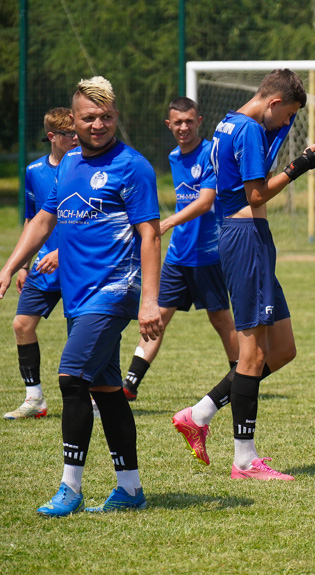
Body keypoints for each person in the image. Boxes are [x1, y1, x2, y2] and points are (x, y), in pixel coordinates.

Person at [0, 76, 162, 516]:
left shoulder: (133, 166)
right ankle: (129, 490)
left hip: (115, 291)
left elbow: (150, 236)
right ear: (73, 121)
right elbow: (42, 221)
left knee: (72, 378)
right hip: (78, 293)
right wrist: (11, 264)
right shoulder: (68, 163)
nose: (99, 124)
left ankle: (70, 488)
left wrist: (149, 300)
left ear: (115, 118)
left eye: (107, 117)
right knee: (108, 389)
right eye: (89, 117)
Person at [171, 69, 315, 481]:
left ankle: (200, 413)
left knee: (281, 350)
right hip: (245, 239)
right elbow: (257, 194)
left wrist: (294, 128)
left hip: (250, 238)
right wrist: (303, 165)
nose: (286, 124)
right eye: (287, 115)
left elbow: (278, 120)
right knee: (253, 354)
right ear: (274, 103)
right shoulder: (246, 130)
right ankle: (245, 461)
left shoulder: (230, 122)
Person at [121, 97, 238, 401]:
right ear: (169, 124)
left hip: (208, 254)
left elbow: (206, 200)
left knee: (220, 319)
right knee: (156, 317)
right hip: (177, 256)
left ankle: (241, 375)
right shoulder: (174, 156)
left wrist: (167, 222)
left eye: (189, 121)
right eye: (178, 122)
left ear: (199, 121)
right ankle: (130, 383)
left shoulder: (211, 151)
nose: (183, 127)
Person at [4, 108, 77, 420]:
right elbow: (33, 221)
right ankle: (34, 399)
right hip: (43, 268)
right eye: (68, 134)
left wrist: (62, 253)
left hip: (78, 265)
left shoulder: (83, 168)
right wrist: (23, 265)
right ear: (52, 137)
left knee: (80, 333)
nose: (76, 138)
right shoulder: (34, 171)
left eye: (77, 133)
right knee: (21, 324)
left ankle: (92, 400)